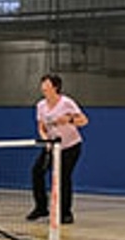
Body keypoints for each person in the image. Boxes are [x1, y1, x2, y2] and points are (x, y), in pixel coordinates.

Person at [26, 73, 88, 225]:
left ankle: (65, 213)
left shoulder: (67, 103)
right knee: (37, 172)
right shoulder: (40, 105)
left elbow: (84, 121)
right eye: (42, 84)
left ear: (55, 87)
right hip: (52, 146)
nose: (43, 87)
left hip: (70, 146)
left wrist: (70, 119)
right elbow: (41, 126)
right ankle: (41, 207)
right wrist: (46, 140)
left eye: (46, 84)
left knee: (63, 177)